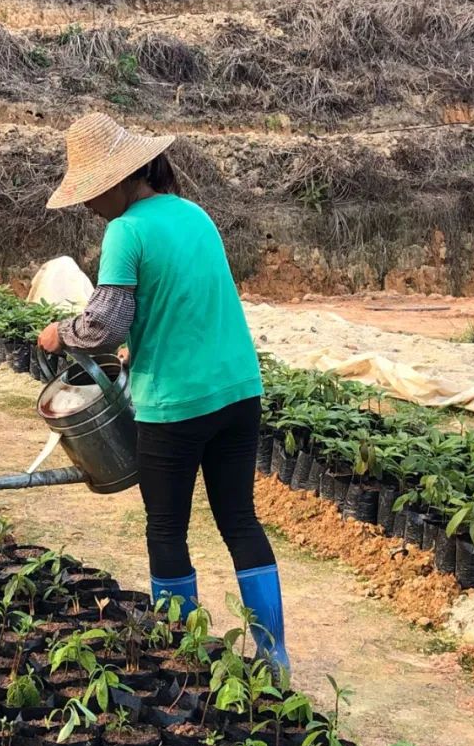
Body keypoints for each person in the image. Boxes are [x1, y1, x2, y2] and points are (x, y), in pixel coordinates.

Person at [37, 112, 290, 674]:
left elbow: (104, 325)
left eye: (91, 192)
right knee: (240, 521)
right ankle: (276, 660)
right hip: (239, 391)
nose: (86, 204)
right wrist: (140, 347)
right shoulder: (194, 215)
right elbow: (182, 304)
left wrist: (60, 334)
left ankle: (185, 660)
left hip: (176, 406)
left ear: (122, 180)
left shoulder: (125, 230)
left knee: (167, 527)